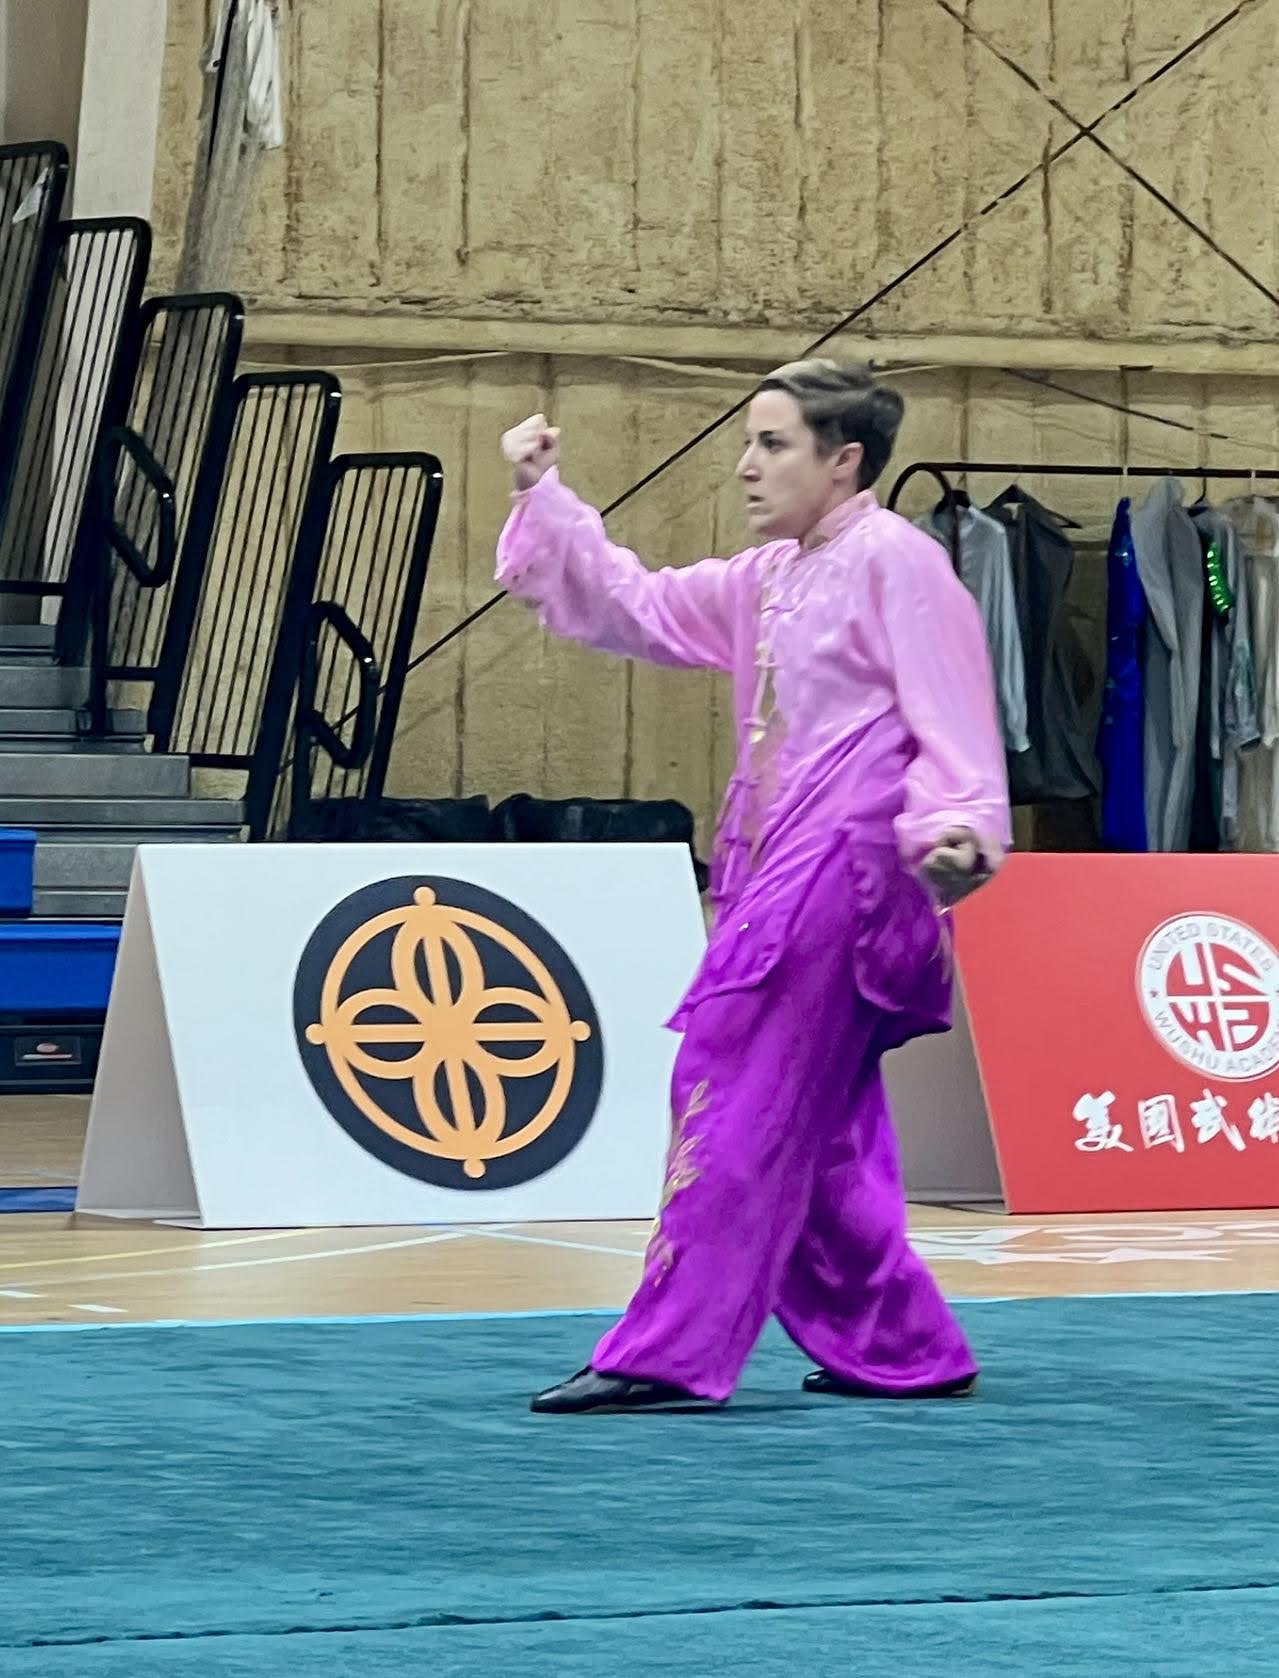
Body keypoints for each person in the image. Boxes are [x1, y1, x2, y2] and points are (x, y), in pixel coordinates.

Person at [495, 361, 1011, 1416]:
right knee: (818, 1126)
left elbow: (953, 706)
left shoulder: (897, 561)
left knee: (728, 1086)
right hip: (783, 863)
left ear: (843, 459)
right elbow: (637, 606)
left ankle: (667, 1352)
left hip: (846, 870)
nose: (745, 465)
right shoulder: (769, 575)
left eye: (772, 444)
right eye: (749, 442)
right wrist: (543, 494)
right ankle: (901, 1342)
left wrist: (956, 825)